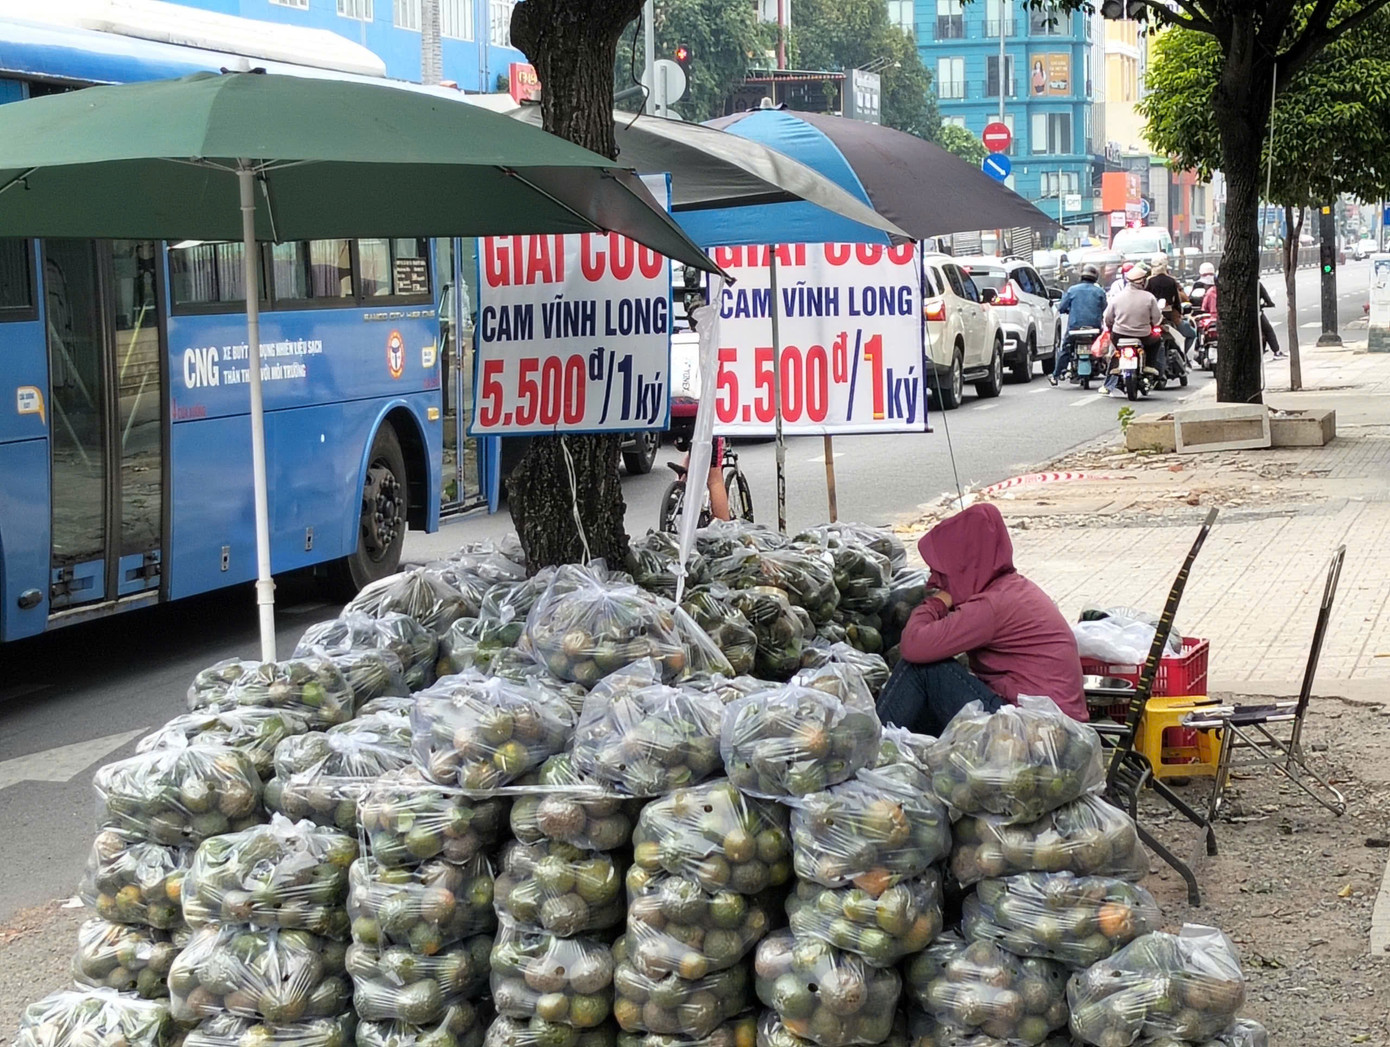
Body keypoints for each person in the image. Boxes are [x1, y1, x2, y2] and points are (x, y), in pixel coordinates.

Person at [874, 503, 1087, 737]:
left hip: (1034, 732)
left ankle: (867, 747)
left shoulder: (991, 606)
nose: (933, 581)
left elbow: (915, 646)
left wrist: (937, 603)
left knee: (921, 668)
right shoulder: (1012, 588)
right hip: (1051, 724)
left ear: (964, 562)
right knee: (928, 693)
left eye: (941, 571)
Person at [1103, 264, 1163, 396]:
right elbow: (1157, 319)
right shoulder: (1149, 297)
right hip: (1144, 336)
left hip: (1119, 335)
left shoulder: (1116, 298)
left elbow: (1108, 318)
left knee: (1115, 347)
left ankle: (1118, 364)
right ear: (1143, 281)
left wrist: (1111, 327)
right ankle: (1149, 365)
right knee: (1157, 341)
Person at [1050, 263, 1107, 386]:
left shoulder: (1072, 290)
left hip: (1074, 329)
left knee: (1066, 349)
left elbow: (1062, 307)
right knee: (1102, 347)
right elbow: (1104, 308)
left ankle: (1056, 375)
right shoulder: (1099, 291)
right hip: (1094, 328)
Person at [1144, 253, 1196, 360]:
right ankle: (1183, 357)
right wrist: (1179, 313)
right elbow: (1177, 301)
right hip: (1171, 317)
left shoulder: (1149, 281)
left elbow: (1145, 299)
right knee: (1191, 334)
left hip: (1151, 320)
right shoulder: (1171, 281)